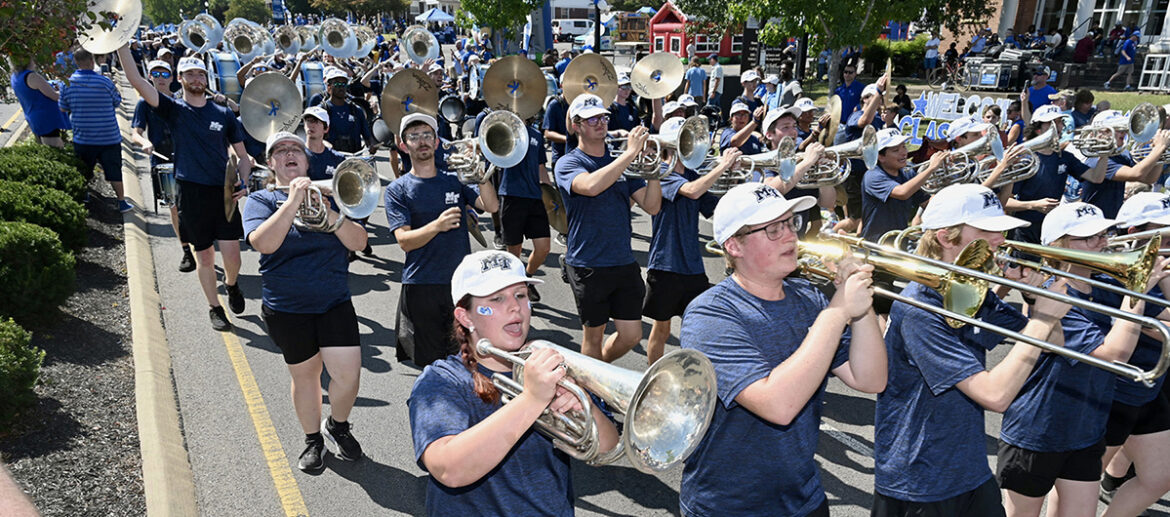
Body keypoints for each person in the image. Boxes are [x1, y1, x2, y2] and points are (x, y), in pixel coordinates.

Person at [679, 182, 887, 516]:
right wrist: (837, 312)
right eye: (773, 229)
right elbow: (777, 404)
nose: (791, 235)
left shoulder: (808, 297)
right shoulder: (710, 314)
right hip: (730, 506)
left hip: (804, 499)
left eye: (791, 223)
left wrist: (860, 305)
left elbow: (871, 379)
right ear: (734, 245)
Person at [873, 183, 1071, 517]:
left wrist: (1036, 299)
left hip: (969, 468)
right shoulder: (918, 306)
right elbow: (995, 395)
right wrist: (1042, 319)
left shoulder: (971, 288)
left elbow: (1056, 345)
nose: (1001, 241)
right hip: (921, 480)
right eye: (987, 231)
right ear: (945, 237)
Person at [409, 249, 619, 515]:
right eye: (496, 299)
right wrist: (532, 399)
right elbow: (448, 469)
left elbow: (607, 448)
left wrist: (584, 404)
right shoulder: (441, 380)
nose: (514, 306)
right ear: (466, 317)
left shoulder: (553, 367)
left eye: (521, 295)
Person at [998, 201, 1170, 517]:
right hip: (1038, 430)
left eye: (1103, 234)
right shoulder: (1051, 294)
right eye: (1088, 237)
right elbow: (1114, 354)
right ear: (1057, 246)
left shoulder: (1105, 281)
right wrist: (1136, 294)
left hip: (1085, 430)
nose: (1101, 242)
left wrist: (1153, 278)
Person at [243, 132, 368, 472]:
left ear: (307, 160)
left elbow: (359, 241)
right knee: (307, 377)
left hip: (334, 302)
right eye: (279, 151)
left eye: (295, 149)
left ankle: (338, 426)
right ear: (271, 164)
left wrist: (332, 217)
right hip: (287, 308)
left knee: (348, 375)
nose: (288, 154)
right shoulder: (261, 201)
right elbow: (263, 243)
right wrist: (291, 202)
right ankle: (313, 439)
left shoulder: (331, 197)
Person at [118, 45, 255, 331]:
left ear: (206, 80)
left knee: (232, 256)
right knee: (204, 256)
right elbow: (135, 79)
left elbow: (243, 157)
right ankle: (214, 307)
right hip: (190, 192)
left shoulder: (223, 113)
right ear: (179, 79)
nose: (196, 78)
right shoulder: (173, 109)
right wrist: (120, 41)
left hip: (223, 192)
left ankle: (231, 285)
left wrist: (243, 181)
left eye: (200, 74)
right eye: (189, 74)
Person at [385, 113, 498, 367]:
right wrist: (436, 226)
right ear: (404, 146)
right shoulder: (397, 189)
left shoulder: (454, 177)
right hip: (422, 285)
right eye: (414, 136)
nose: (422, 141)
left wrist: (481, 176)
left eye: (427, 135)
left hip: (460, 284)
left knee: (469, 359)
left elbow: (490, 205)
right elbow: (404, 241)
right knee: (432, 365)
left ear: (437, 142)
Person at [555, 94, 661, 362]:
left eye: (603, 117)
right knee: (593, 336)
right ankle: (591, 393)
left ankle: (597, 372)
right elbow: (591, 186)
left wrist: (654, 171)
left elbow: (652, 206)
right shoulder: (568, 163)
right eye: (592, 119)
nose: (600, 123)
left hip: (622, 260)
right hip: (589, 262)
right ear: (577, 125)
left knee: (632, 335)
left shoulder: (619, 162)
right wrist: (629, 154)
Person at [643, 117, 737, 366]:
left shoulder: (694, 174)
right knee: (661, 330)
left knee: (696, 328)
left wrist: (734, 181)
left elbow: (715, 208)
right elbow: (692, 190)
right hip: (665, 263)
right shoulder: (661, 173)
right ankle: (652, 377)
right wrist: (722, 167)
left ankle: (689, 376)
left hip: (693, 266)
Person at [1098, 192, 1170, 513]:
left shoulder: (1159, 267)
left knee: (1159, 477)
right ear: (1134, 233)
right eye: (1165, 233)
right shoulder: (1108, 274)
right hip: (1113, 395)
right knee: (1082, 478)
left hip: (1147, 390)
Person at [1005, 105, 1105, 243]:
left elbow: (1096, 177)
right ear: (1038, 129)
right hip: (1024, 228)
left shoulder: (1065, 157)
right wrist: (1033, 205)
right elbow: (1005, 201)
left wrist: (1105, 153)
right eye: (1052, 122)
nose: (1059, 126)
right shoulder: (1025, 159)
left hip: (1052, 228)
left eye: (1059, 122)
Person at [131, 59, 195, 273]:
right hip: (163, 161)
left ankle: (198, 240)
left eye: (164, 74)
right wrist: (145, 142)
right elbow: (135, 133)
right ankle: (186, 250)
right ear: (150, 77)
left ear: (171, 77)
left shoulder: (182, 102)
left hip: (187, 160)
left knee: (195, 206)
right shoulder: (144, 104)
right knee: (175, 208)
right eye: (155, 74)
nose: (160, 78)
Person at [58, 48, 128, 212]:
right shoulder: (104, 82)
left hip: (84, 137)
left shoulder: (67, 84)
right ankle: (122, 202)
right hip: (109, 136)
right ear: (92, 61)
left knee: (83, 170)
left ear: (76, 62)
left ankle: (84, 195)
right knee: (114, 171)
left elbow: (63, 108)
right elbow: (117, 102)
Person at [496, 111, 552, 302]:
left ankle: (526, 278)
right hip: (512, 196)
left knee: (544, 247)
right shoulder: (505, 132)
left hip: (535, 197)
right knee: (515, 251)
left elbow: (541, 168)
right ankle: (515, 290)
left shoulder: (536, 134)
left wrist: (553, 196)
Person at [1080, 113, 1170, 218]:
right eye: (1117, 129)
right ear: (1101, 132)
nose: (1124, 132)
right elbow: (1136, 174)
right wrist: (1159, 147)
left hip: (1113, 219)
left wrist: (1160, 156)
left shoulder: (1122, 154)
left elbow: (1149, 178)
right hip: (1095, 220)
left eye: (1124, 128)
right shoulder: (1097, 160)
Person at [9, 55, 68, 148]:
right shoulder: (32, 76)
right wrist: (71, 92)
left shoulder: (15, 76)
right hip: (46, 119)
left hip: (34, 117)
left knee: (46, 148)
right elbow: (54, 96)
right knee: (56, 149)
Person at [316, 68, 376, 154]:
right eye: (337, 83)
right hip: (330, 161)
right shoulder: (321, 111)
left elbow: (367, 137)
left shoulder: (356, 110)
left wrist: (372, 145)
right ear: (329, 86)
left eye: (344, 84)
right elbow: (314, 138)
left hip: (353, 160)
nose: (341, 87)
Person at [301, 106, 347, 181]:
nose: (311, 125)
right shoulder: (296, 156)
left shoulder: (338, 159)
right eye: (308, 121)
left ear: (326, 128)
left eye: (316, 122)